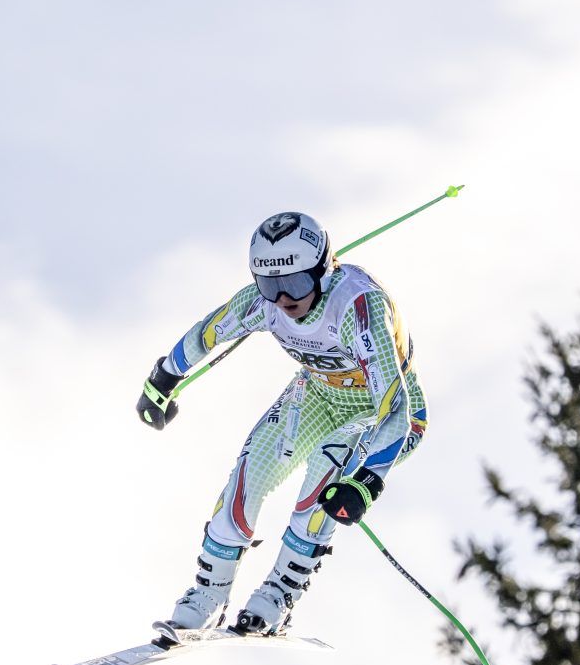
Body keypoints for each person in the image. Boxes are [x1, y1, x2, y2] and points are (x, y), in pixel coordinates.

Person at [136, 211, 427, 635]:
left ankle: (278, 594)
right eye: (269, 284)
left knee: (325, 474)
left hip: (382, 415)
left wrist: (367, 482)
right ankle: (209, 593)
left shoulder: (358, 308)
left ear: (323, 272)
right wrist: (163, 379)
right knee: (252, 467)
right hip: (319, 393)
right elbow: (209, 333)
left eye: (293, 284)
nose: (282, 299)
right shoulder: (266, 304)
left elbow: (395, 408)